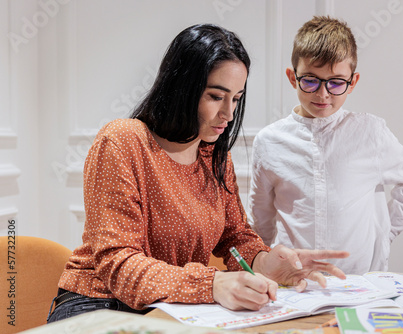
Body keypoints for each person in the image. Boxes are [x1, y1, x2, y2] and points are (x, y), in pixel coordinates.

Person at [47, 23, 350, 323]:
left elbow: (234, 237)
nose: (229, 114)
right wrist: (211, 284)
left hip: (170, 308)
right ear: (181, 88)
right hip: (98, 305)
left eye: (236, 98)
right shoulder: (122, 141)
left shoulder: (214, 154)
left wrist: (266, 262)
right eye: (216, 96)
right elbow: (118, 264)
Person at [248, 16, 403, 275]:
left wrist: (384, 235)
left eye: (336, 82)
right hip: (294, 280)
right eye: (310, 80)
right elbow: (261, 218)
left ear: (352, 82)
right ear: (292, 77)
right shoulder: (269, 141)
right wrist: (263, 267)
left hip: (361, 279)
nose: (323, 94)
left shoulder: (370, 133)